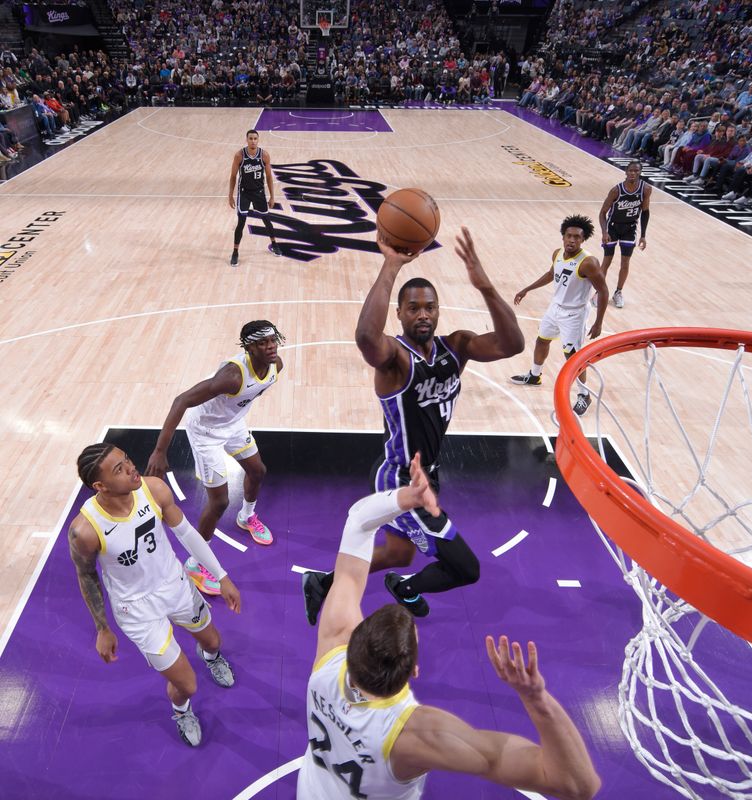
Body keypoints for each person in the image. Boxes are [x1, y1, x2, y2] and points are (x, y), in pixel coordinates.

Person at [297, 453, 601, 800]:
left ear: (352, 643)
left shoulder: (331, 646)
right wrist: (537, 698)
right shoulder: (417, 737)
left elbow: (358, 520)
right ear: (414, 669)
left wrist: (404, 498)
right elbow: (578, 786)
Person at [303, 228, 525, 623]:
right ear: (400, 313)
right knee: (466, 568)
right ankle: (401, 587)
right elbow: (365, 338)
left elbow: (512, 345)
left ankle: (330, 583)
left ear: (438, 311)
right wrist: (391, 264)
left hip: (428, 475)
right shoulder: (395, 360)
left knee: (400, 554)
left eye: (429, 307)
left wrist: (485, 285)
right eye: (414, 308)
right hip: (400, 480)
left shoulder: (456, 346)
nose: (423, 314)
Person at [69, 443, 241, 747]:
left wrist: (222, 575)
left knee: (213, 642)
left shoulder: (154, 489)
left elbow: (187, 533)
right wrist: (102, 627)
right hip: (136, 610)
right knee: (186, 684)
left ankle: (211, 658)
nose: (131, 468)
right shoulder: (85, 530)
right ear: (100, 486)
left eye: (127, 459)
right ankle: (181, 711)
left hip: (175, 584)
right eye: (119, 469)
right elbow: (86, 574)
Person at [146, 320, 285, 594]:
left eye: (273, 340)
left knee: (258, 471)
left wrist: (233, 416)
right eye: (262, 343)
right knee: (219, 501)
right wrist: (160, 450)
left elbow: (247, 398)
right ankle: (197, 564)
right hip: (206, 432)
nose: (270, 347)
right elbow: (181, 401)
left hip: (233, 425)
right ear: (248, 347)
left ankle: (246, 518)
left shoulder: (276, 366)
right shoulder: (232, 376)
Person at [509, 215, 608, 417]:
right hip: (555, 307)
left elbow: (604, 291)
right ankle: (534, 376)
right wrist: (527, 289)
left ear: (583, 239)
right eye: (569, 236)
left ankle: (584, 395)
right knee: (542, 340)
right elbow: (551, 274)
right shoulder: (558, 254)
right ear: (563, 237)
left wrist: (598, 322)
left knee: (572, 356)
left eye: (577, 237)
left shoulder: (589, 263)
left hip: (575, 313)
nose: (572, 240)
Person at [597, 160, 651, 308]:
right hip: (612, 227)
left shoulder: (646, 189)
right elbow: (602, 213)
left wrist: (643, 235)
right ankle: (599, 292)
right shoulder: (616, 190)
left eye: (636, 171)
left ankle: (618, 292)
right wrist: (604, 231)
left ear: (640, 173)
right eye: (630, 170)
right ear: (626, 172)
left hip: (630, 228)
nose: (633, 173)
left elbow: (645, 212)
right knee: (607, 261)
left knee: (625, 263)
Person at [228, 129, 282, 266]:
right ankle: (235, 252)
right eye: (250, 138)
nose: (253, 141)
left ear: (258, 140)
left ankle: (274, 244)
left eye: (255, 138)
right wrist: (230, 195)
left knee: (266, 219)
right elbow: (233, 176)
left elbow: (269, 177)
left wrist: (272, 196)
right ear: (246, 140)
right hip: (244, 192)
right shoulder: (239, 155)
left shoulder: (264, 155)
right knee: (241, 222)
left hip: (259, 192)